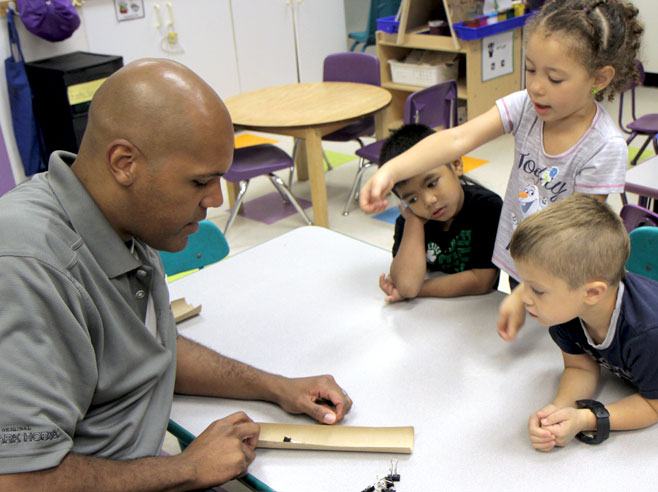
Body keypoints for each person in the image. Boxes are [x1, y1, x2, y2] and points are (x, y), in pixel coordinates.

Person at [0, 59, 352, 491]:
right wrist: (188, 468)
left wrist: (277, 387)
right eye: (200, 181)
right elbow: (19, 482)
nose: (215, 200)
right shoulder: (28, 268)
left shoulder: (129, 214)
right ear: (124, 162)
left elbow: (147, 347)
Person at [356, 1, 643, 333]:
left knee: (565, 350)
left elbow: (573, 237)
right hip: (521, 261)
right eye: (531, 69)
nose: (536, 86)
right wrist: (390, 171)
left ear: (599, 78)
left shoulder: (604, 147)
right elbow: (456, 139)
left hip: (563, 276)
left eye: (554, 77)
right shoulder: (526, 107)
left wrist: (525, 291)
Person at [508, 195, 658, 451]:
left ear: (592, 293)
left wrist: (587, 418)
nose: (523, 298)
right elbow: (581, 368)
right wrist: (559, 411)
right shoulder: (567, 312)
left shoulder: (647, 333)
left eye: (537, 290)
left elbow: (653, 405)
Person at [376, 124, 502, 302]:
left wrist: (418, 290)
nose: (428, 201)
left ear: (456, 164)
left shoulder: (487, 207)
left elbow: (481, 281)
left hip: (475, 310)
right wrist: (414, 224)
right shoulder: (410, 220)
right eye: (412, 199)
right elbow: (406, 285)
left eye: (432, 183)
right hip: (430, 314)